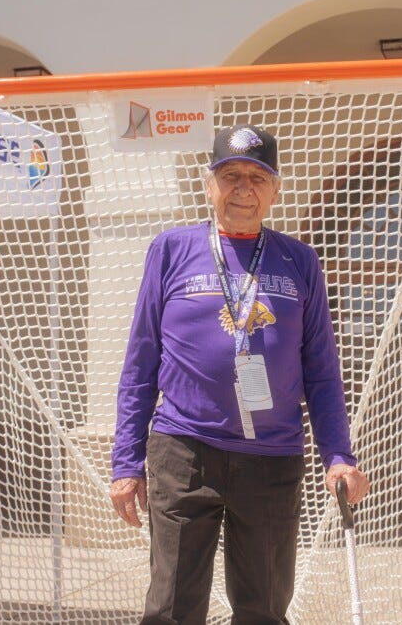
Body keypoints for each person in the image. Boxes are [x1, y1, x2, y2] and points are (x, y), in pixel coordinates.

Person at [110, 123, 369, 624]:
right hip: (184, 451)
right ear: (209, 184)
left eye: (257, 176)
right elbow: (141, 360)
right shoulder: (171, 250)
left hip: (271, 458)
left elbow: (321, 371)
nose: (243, 188)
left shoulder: (300, 260)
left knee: (263, 610)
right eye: (230, 175)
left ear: (274, 189)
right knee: (171, 608)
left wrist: (337, 455)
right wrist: (126, 462)